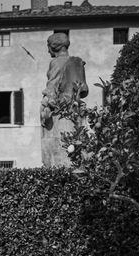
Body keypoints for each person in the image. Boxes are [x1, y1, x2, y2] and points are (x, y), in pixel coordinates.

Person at [40, 32, 88, 167]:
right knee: (76, 149)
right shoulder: (78, 62)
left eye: (48, 46)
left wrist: (45, 107)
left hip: (60, 112)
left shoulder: (56, 62)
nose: (47, 50)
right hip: (76, 110)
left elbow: (52, 88)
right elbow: (83, 90)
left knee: (57, 152)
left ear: (54, 47)